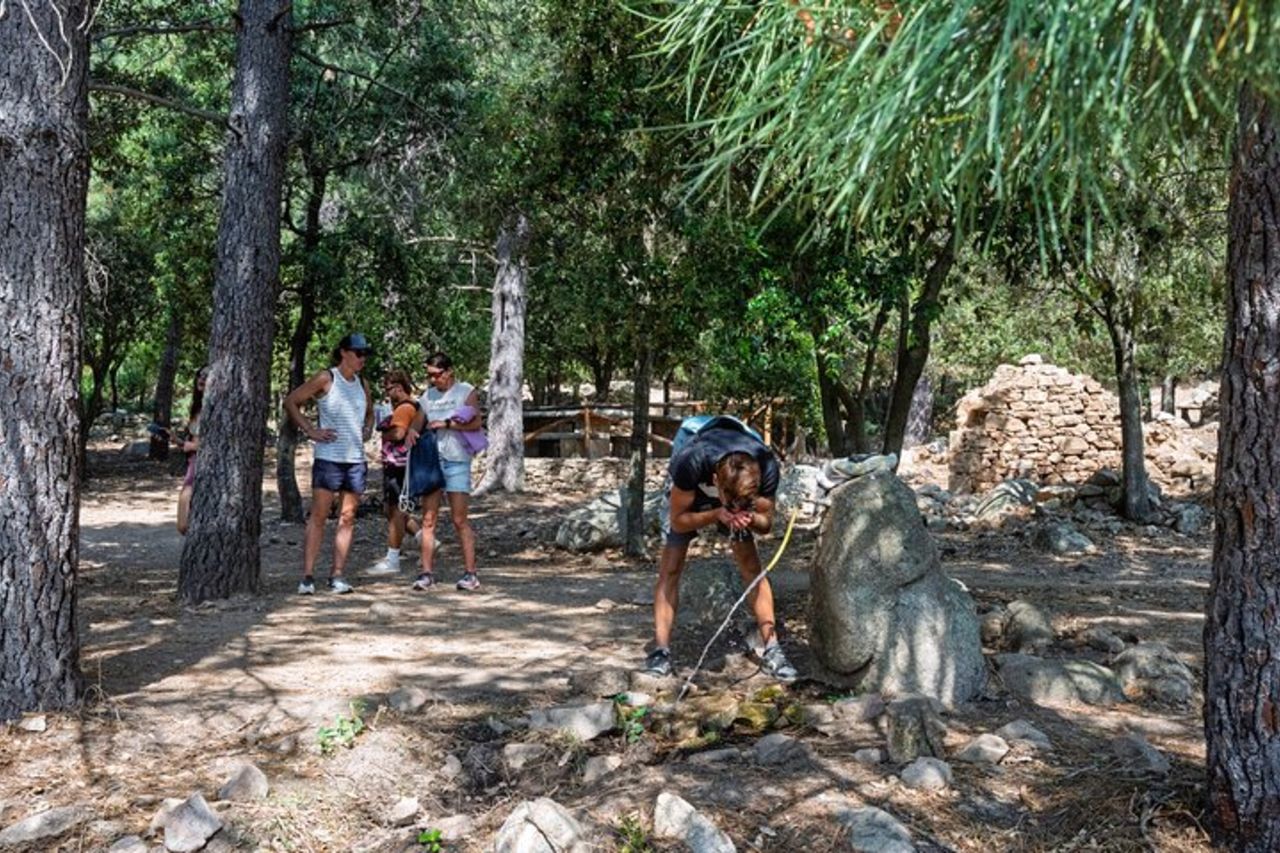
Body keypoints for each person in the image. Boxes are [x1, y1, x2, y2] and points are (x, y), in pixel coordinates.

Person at [644, 417, 798, 682]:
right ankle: (660, 653)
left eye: (744, 501)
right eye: (732, 502)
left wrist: (748, 516)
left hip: (734, 486)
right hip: (694, 486)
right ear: (715, 481)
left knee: (751, 566)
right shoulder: (690, 462)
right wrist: (716, 513)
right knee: (671, 567)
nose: (736, 508)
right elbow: (678, 521)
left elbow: (766, 525)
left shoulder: (766, 465)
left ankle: (773, 650)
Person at [284, 332, 374, 595]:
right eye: (358, 353)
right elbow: (291, 401)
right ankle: (307, 576)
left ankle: (337, 575)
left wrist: (367, 427)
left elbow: (369, 412)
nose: (362, 359)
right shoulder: (327, 378)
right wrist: (310, 430)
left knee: (347, 517)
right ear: (344, 353)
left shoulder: (363, 384)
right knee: (319, 515)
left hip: (355, 460)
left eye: (365, 354)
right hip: (329, 459)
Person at [405, 352, 482, 591]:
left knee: (459, 519)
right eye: (429, 375)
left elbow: (476, 422)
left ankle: (471, 573)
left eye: (436, 374)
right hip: (432, 461)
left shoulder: (465, 392)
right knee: (429, 519)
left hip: (457, 460)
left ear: (449, 372)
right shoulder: (428, 396)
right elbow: (418, 421)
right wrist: (412, 430)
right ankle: (426, 573)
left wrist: (447, 424)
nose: (432, 380)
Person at [367, 370, 423, 575]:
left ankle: (393, 559)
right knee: (391, 510)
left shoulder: (404, 408)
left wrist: (385, 432)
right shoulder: (414, 406)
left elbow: (398, 432)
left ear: (399, 387)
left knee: (396, 512)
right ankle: (424, 539)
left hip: (399, 467)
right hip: (401, 466)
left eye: (388, 389)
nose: (387, 393)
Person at [176, 366, 208, 535]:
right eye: (200, 375)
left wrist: (193, 446)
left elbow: (220, 443)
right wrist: (176, 441)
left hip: (203, 463)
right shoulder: (198, 408)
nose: (202, 379)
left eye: (207, 376)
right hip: (193, 462)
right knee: (183, 523)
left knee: (185, 522)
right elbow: (193, 440)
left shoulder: (217, 410)